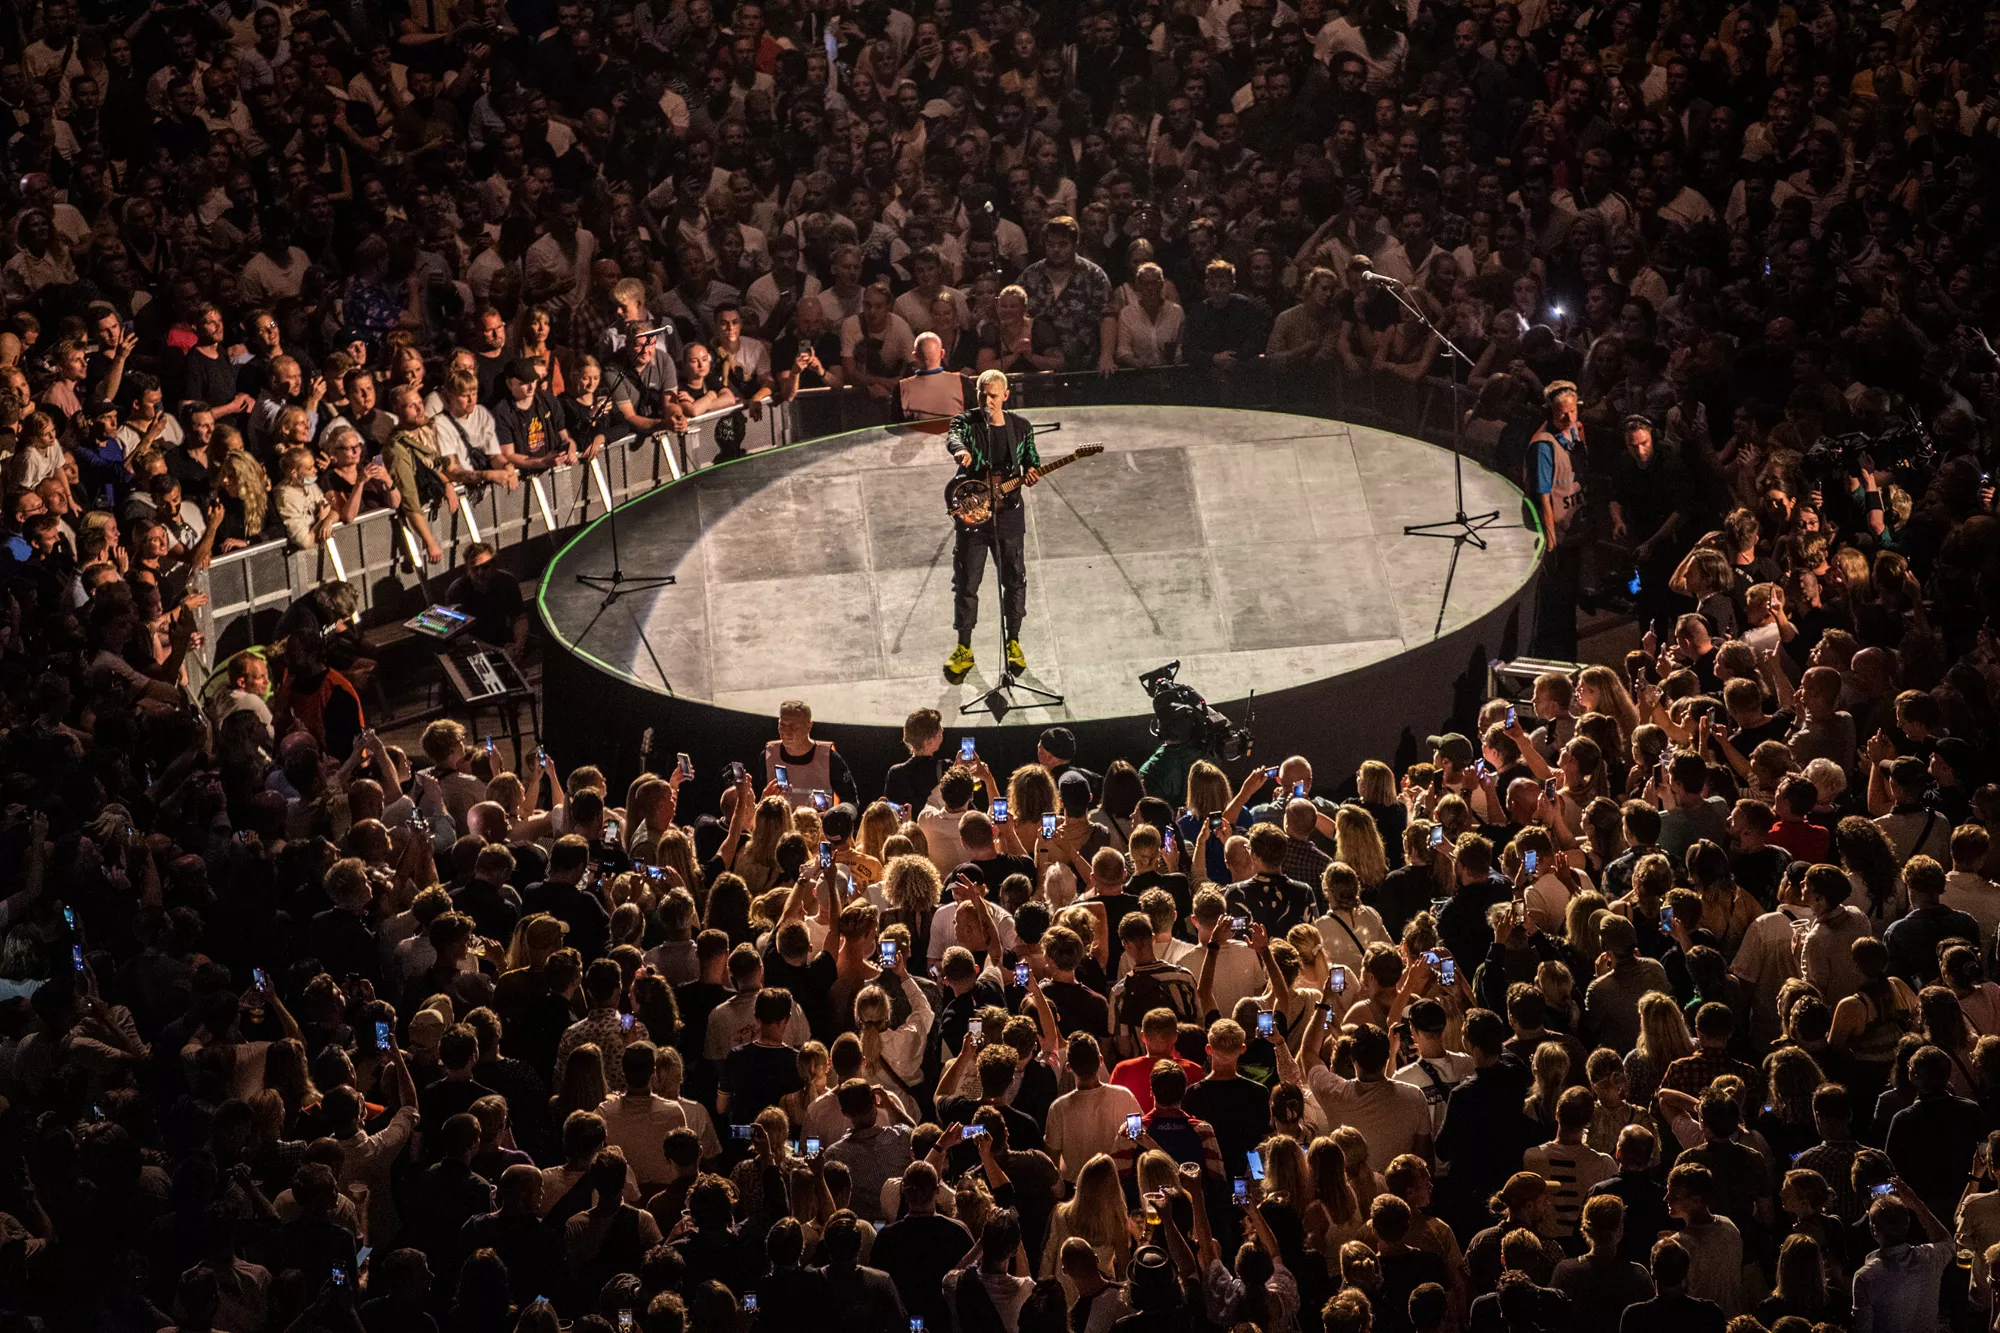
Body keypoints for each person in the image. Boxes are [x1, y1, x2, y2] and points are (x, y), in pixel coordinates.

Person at [942, 368, 1042, 680]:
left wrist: (1033, 472)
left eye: (994, 396)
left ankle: (1013, 642)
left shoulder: (1021, 428)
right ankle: (964, 647)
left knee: (1014, 581)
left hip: (1008, 516)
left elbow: (1032, 460)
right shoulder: (966, 422)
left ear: (1006, 396)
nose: (988, 401)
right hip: (973, 516)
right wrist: (961, 451)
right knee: (967, 584)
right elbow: (953, 437)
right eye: (983, 395)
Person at [1527, 380, 1586, 659]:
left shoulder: (1576, 432)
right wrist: (1551, 542)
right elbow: (1544, 496)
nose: (1568, 418)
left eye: (1573, 411)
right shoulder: (1543, 446)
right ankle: (1550, 658)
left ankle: (1568, 654)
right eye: (1562, 413)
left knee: (1568, 601)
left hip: (1574, 532)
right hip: (1557, 537)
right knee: (1552, 603)